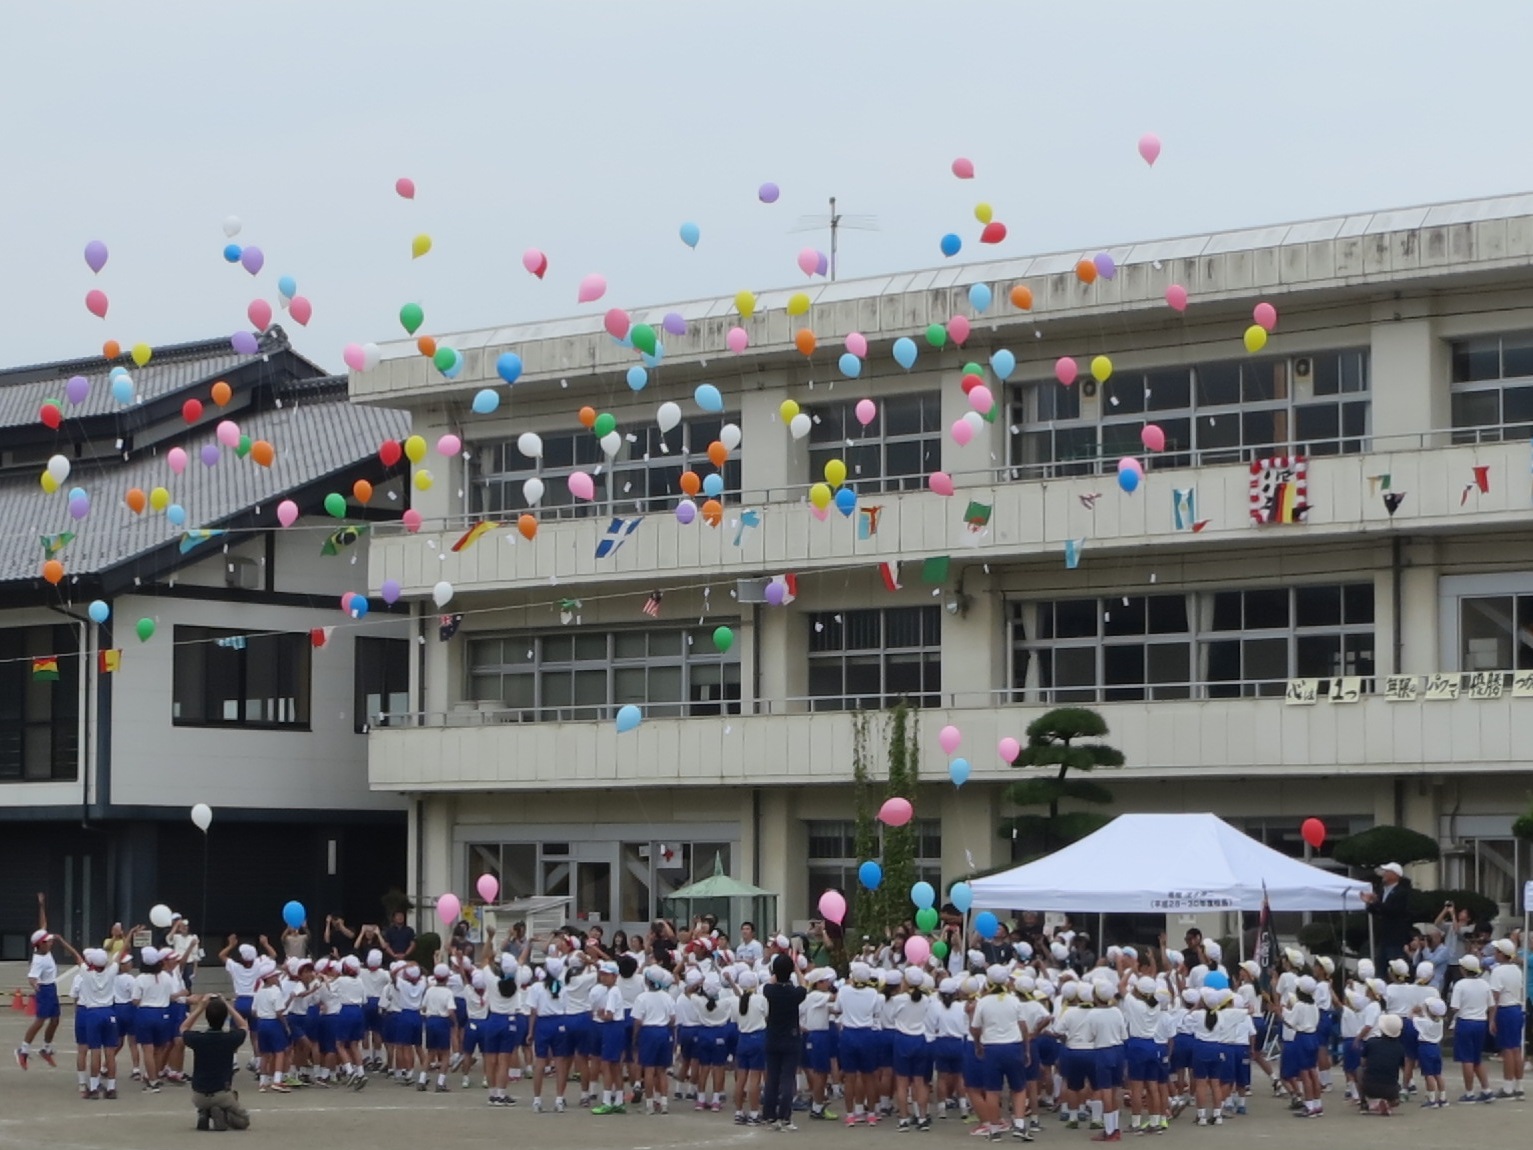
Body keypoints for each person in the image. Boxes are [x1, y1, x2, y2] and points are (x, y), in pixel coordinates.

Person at [181, 995, 251, 1131]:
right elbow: (243, 1025)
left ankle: (204, 1112)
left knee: (205, 1100)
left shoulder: (198, 1038)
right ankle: (223, 1113)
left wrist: (201, 1007)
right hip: (222, 1093)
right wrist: (227, 1005)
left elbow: (184, 1027)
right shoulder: (230, 1038)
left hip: (199, 1094)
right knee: (243, 1121)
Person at [761, 952, 806, 1131]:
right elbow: (804, 984)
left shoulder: (769, 991)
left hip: (772, 1037)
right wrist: (795, 968)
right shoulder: (795, 993)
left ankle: (769, 1115)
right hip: (791, 1037)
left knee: (772, 1077)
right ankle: (784, 1116)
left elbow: (771, 981)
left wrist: (779, 970)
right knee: (788, 1078)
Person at [17, 893, 62, 1070]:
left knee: (55, 1020)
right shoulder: (39, 960)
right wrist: (36, 986)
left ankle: (45, 1048)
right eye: (48, 942)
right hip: (45, 989)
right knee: (40, 1021)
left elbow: (43, 924)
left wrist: (41, 905)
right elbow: (31, 978)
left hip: (52, 987)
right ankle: (23, 1049)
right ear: (40, 945)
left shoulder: (45, 950)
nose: (51, 943)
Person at [1448, 953, 1495, 1103]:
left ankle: (1469, 1093)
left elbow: (1455, 1007)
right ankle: (1486, 1089)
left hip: (1465, 1022)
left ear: (1464, 969)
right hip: (1481, 1022)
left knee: (1466, 1059)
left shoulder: (1460, 985)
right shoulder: (1485, 984)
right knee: (1477, 1059)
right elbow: (1492, 1006)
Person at [1488, 938, 1525, 1098]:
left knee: (1507, 1050)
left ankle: (1508, 1086)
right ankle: (1518, 1084)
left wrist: (1491, 1019)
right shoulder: (1517, 969)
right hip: (1517, 1009)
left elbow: (1495, 997)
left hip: (1506, 1010)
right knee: (1515, 1049)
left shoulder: (1498, 971)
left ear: (1502, 954)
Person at [1361, 863, 1414, 969]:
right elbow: (1377, 911)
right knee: (1381, 967)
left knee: (1394, 967)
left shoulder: (1401, 893)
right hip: (1382, 938)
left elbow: (1393, 911)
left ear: (1395, 875)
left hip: (1394, 939)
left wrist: (1376, 902)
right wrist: (1369, 903)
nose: (1383, 874)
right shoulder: (1382, 891)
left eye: (1387, 872)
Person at [1359, 1013, 1405, 1116]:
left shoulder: (1371, 1043)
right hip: (1391, 1088)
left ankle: (1364, 1103)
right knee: (1396, 1100)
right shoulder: (1400, 1048)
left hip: (1369, 1087)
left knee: (1359, 1070)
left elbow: (1363, 1062)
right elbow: (1404, 1068)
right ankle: (1390, 1102)